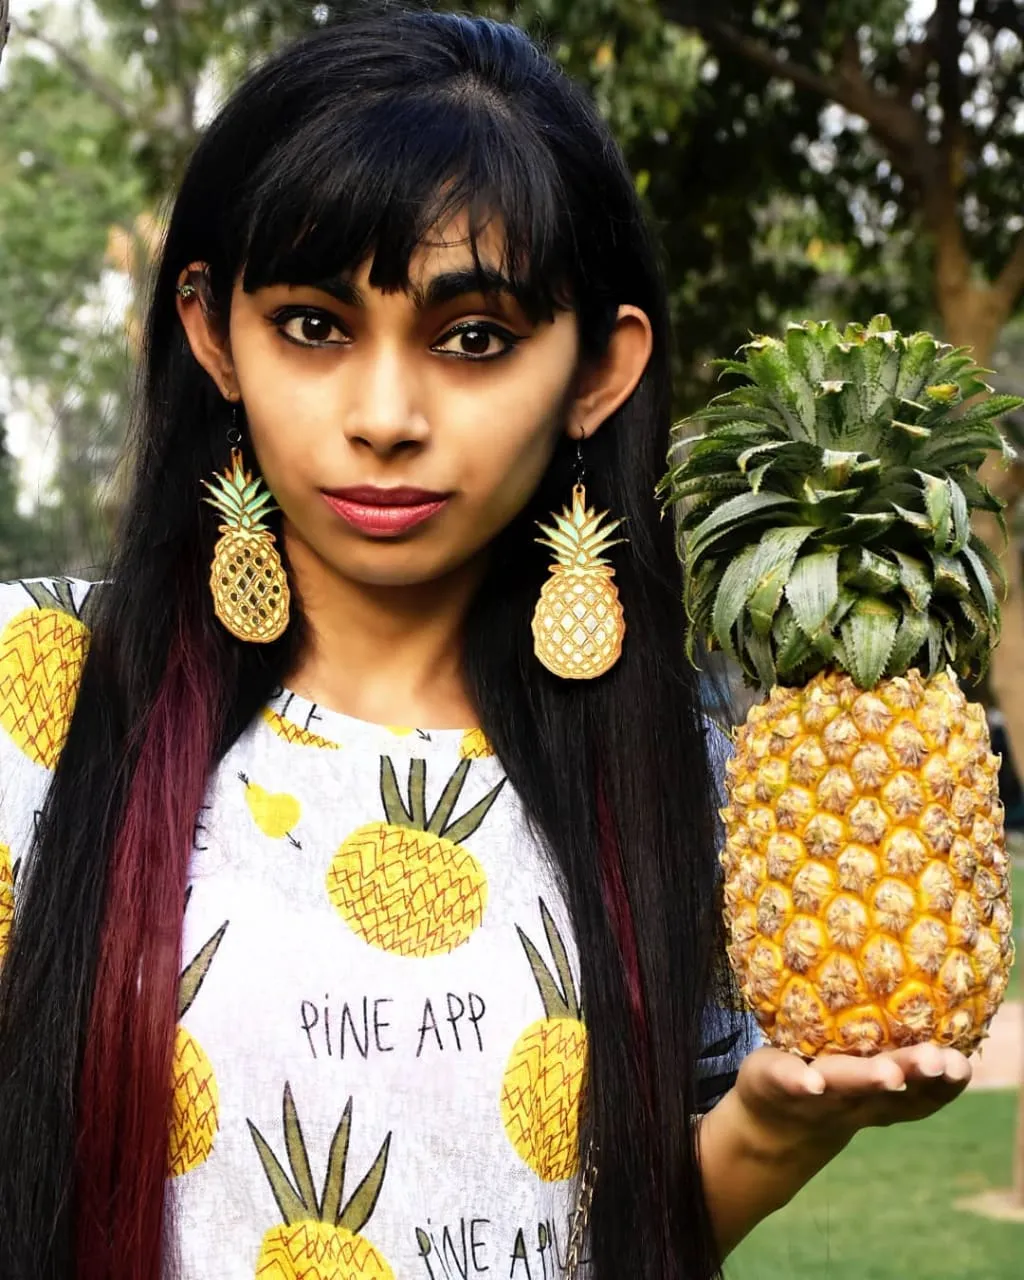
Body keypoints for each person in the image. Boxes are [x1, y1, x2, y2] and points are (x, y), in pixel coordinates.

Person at [0, 8, 973, 1279]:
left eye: (474, 338)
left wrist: (772, 1134)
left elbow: (595, 1238)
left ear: (597, 372)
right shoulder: (40, 677)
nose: (386, 416)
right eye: (311, 324)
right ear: (210, 332)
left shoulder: (686, 754)